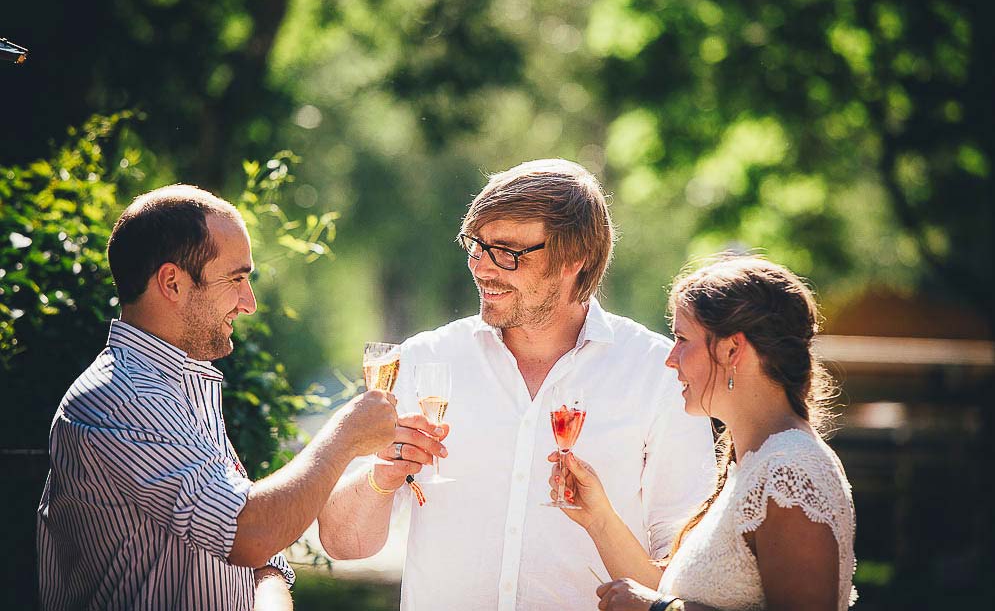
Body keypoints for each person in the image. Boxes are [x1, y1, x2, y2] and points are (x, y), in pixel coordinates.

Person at [318, 159, 717, 610]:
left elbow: (684, 571)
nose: (483, 269)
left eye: (507, 252)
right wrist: (382, 476)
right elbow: (342, 543)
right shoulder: (423, 359)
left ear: (575, 259)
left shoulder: (656, 372)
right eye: (476, 246)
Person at [36, 185, 398, 610]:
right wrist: (345, 434)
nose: (249, 302)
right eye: (237, 279)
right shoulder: (124, 399)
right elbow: (250, 535)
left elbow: (258, 555)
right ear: (172, 282)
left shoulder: (178, 383)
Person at [549, 256, 857, 611]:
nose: (670, 357)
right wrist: (597, 517)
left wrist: (657, 610)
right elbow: (677, 593)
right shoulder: (754, 465)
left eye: (682, 339)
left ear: (731, 349)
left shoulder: (790, 470)